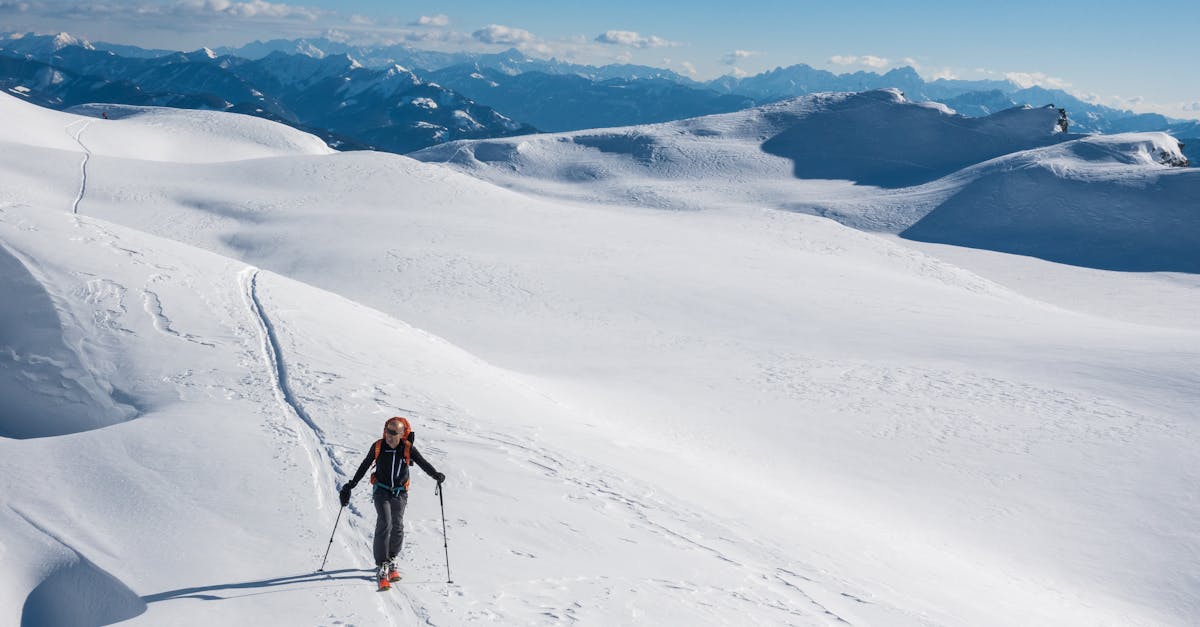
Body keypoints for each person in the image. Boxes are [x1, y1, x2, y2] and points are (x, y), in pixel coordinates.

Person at [339, 416, 446, 590]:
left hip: (400, 493)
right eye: (387, 431)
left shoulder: (407, 448)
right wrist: (350, 485)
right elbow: (365, 465)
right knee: (385, 522)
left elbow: (422, 463)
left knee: (398, 525)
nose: (388, 435)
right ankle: (382, 566)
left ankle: (392, 559)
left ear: (402, 434)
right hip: (381, 490)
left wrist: (436, 475)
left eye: (393, 432)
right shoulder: (378, 446)